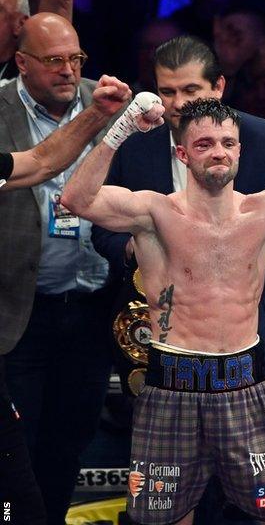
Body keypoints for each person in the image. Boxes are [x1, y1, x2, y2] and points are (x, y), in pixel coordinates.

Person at [60, 94, 265, 525]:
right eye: (205, 143)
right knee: (162, 521)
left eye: (228, 143)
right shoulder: (154, 212)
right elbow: (76, 199)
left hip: (246, 386)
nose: (219, 152)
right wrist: (119, 132)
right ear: (182, 153)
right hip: (170, 390)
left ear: (240, 150)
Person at [91, 35, 265, 392]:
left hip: (260, 331)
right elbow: (103, 229)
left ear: (219, 86)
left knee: (254, 449)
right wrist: (136, 248)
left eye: (191, 90)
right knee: (167, 448)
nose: (178, 103)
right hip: (160, 337)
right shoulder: (134, 145)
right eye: (167, 92)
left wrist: (225, 251)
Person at [0, 72, 137, 525]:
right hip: (24, 318)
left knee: (18, 490)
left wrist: (101, 114)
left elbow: (40, 162)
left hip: (80, 310)